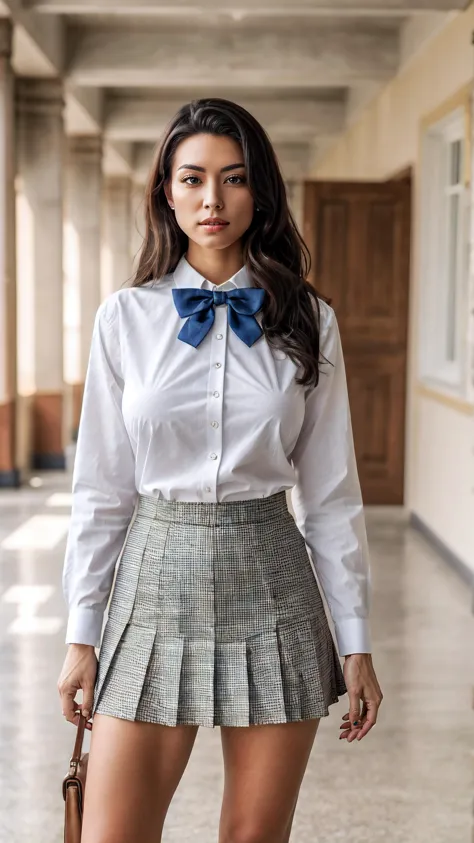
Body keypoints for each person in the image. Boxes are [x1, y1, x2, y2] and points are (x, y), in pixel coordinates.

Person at [57, 97, 383, 843]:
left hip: (272, 583)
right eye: (193, 178)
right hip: (152, 584)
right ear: (166, 191)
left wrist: (357, 640)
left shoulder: (308, 318)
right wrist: (81, 633)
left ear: (260, 192)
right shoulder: (125, 318)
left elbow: (331, 496)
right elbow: (100, 491)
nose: (213, 200)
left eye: (234, 179)